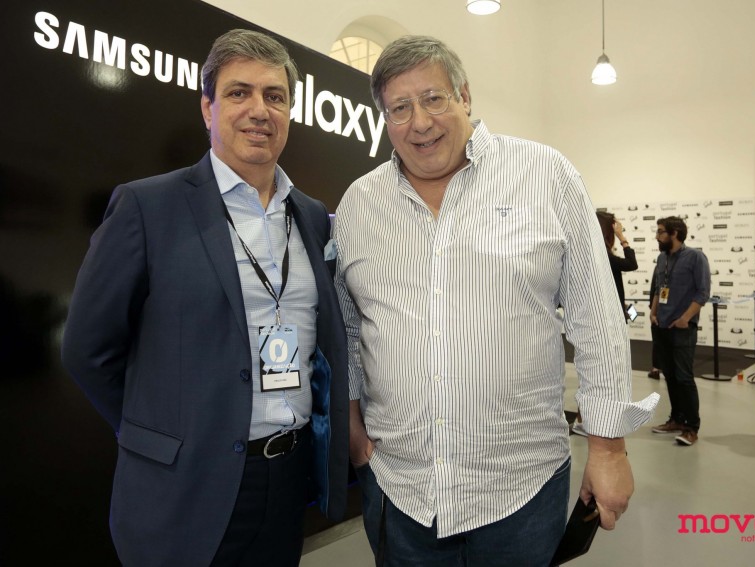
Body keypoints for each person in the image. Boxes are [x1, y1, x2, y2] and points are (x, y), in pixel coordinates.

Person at [334, 35, 658, 566]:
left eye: (433, 98)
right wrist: (350, 425)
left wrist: (608, 448)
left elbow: (596, 318)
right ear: (385, 119)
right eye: (400, 107)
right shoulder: (359, 204)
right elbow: (349, 328)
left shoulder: (545, 175)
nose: (420, 122)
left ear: (464, 96)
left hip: (520, 491)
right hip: (400, 487)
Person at [61, 29, 349, 566]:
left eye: (275, 96)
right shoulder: (148, 206)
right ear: (207, 108)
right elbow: (87, 350)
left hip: (287, 482)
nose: (259, 110)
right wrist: (160, 433)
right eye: (239, 92)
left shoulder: (312, 215)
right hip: (183, 488)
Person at [573, 212, 639, 436]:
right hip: (603, 323)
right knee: (599, 372)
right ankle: (586, 420)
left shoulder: (595, 255)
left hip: (601, 319)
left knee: (595, 371)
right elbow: (631, 264)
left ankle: (585, 419)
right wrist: (623, 238)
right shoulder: (601, 255)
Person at [649, 216, 710, 447]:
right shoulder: (662, 258)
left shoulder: (695, 257)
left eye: (661, 232)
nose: (657, 236)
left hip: (683, 328)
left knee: (684, 378)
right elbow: (659, 288)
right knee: (671, 376)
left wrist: (685, 318)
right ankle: (676, 419)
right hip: (661, 326)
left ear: (674, 233)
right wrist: (653, 312)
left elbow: (702, 293)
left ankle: (691, 427)